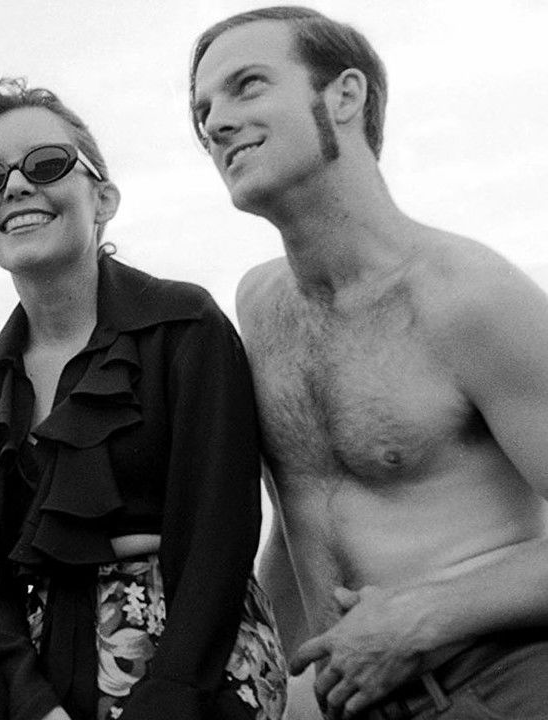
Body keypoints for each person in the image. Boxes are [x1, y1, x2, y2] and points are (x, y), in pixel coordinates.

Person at [0, 78, 286, 720]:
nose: (16, 186)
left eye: (46, 164)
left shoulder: (184, 327)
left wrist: (172, 694)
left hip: (191, 658)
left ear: (103, 199)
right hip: (27, 666)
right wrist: (35, 706)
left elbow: (220, 535)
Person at [190, 6, 548, 719]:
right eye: (202, 110)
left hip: (504, 686)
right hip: (350, 704)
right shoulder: (259, 307)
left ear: (344, 96)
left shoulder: (468, 296)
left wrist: (420, 617)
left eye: (247, 85)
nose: (216, 123)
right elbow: (305, 514)